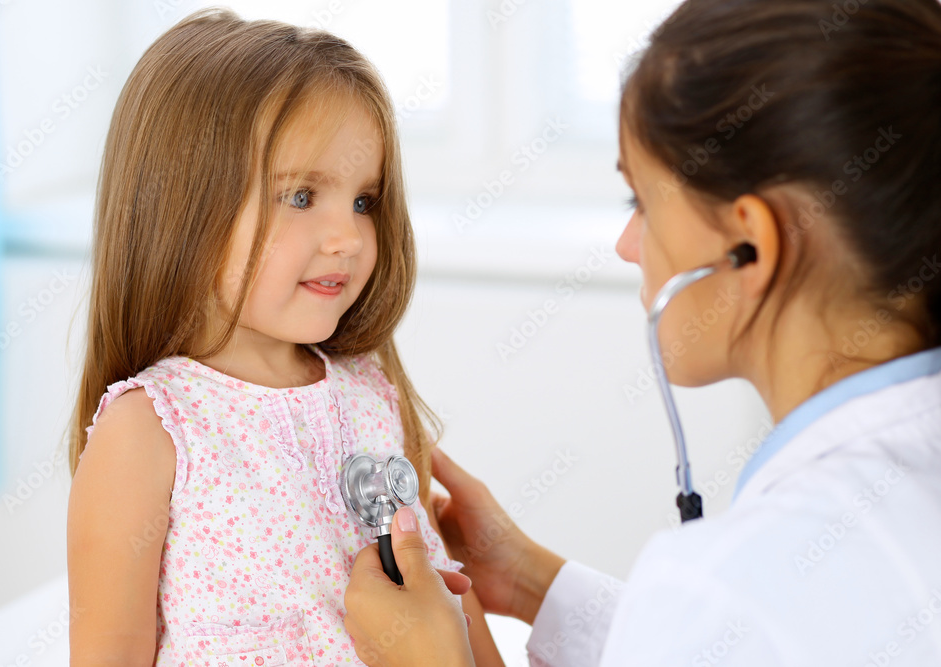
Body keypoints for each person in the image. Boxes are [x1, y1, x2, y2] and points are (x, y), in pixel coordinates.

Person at [343, 0, 941, 664]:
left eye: (641, 202)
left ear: (751, 243)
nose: (629, 245)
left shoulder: (738, 582)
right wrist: (529, 577)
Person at [64, 9, 504, 666]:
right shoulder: (149, 430)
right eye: (301, 196)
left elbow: (451, 609)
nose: (348, 237)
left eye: (363, 200)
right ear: (184, 205)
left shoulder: (374, 398)